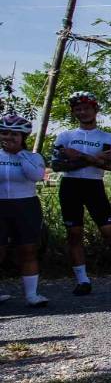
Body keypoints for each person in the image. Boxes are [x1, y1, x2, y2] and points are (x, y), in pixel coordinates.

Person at [50, 91, 111, 295]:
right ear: (73, 112)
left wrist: (80, 156)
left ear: (95, 110)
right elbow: (57, 166)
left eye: (86, 108)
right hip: (71, 186)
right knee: (74, 234)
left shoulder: (107, 138)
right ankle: (83, 281)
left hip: (94, 186)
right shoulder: (65, 137)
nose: (82, 112)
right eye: (78, 109)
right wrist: (95, 158)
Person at [0, 111, 48, 307]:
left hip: (26, 206)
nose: (8, 137)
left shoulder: (33, 157)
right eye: (4, 133)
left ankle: (32, 295)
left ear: (23, 137)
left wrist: (19, 154)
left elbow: (36, 176)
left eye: (14, 134)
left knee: (28, 250)